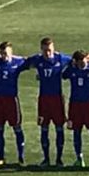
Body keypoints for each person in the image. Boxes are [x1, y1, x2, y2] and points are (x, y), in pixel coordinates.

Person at [23, 37, 71, 167]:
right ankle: (46, 158)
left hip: (57, 99)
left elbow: (78, 60)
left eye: (49, 50)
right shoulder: (37, 59)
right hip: (43, 100)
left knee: (59, 128)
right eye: (45, 51)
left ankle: (59, 159)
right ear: (41, 49)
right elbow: (23, 61)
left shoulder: (61, 59)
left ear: (53, 48)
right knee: (44, 129)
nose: (47, 53)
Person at [0, 41, 28, 166]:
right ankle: (0, 157)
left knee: (17, 128)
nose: (4, 56)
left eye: (6, 53)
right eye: (2, 53)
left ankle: (21, 157)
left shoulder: (17, 62)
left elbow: (30, 62)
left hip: (12, 100)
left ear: (11, 52)